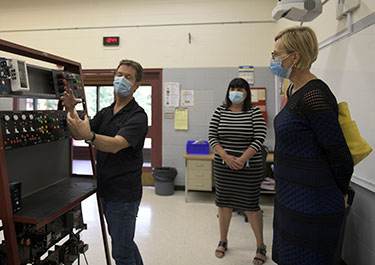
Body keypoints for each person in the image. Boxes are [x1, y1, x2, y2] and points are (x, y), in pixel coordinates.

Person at [270, 26, 354, 265]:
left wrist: (341, 191)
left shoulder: (315, 95)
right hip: (290, 198)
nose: (273, 59)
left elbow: (339, 154)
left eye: (277, 54)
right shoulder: (293, 90)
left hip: (313, 204)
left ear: (294, 57)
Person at [61, 59, 148, 265]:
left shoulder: (138, 116)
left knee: (121, 252)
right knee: (124, 243)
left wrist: (90, 137)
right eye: (119, 75)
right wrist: (71, 111)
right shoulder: (106, 113)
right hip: (106, 189)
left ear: (136, 86)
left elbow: (117, 144)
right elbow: (80, 131)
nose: (121, 80)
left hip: (124, 194)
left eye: (128, 77)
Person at [208, 78, 267, 265]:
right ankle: (223, 240)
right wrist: (225, 156)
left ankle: (260, 245)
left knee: (250, 205)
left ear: (246, 92)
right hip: (224, 166)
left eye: (240, 89)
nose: (235, 91)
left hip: (249, 167)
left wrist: (242, 159)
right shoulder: (220, 111)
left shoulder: (254, 112)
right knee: (223, 203)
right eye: (233, 88)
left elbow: (259, 138)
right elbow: (212, 136)